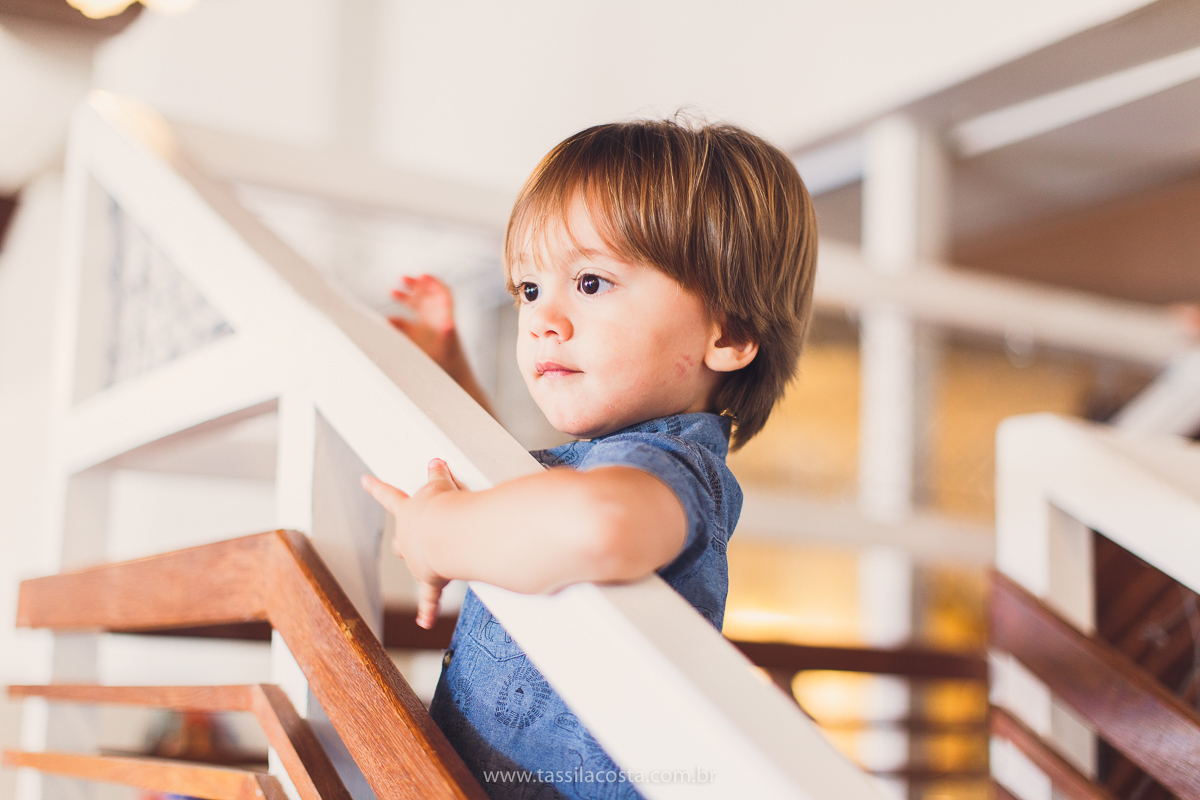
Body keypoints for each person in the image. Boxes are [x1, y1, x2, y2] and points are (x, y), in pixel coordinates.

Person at [361, 117, 817, 800]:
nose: (544, 318)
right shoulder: (605, 459)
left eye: (593, 283)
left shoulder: (673, 469)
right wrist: (450, 374)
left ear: (729, 331)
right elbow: (522, 488)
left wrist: (438, 534)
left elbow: (595, 522)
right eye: (531, 289)